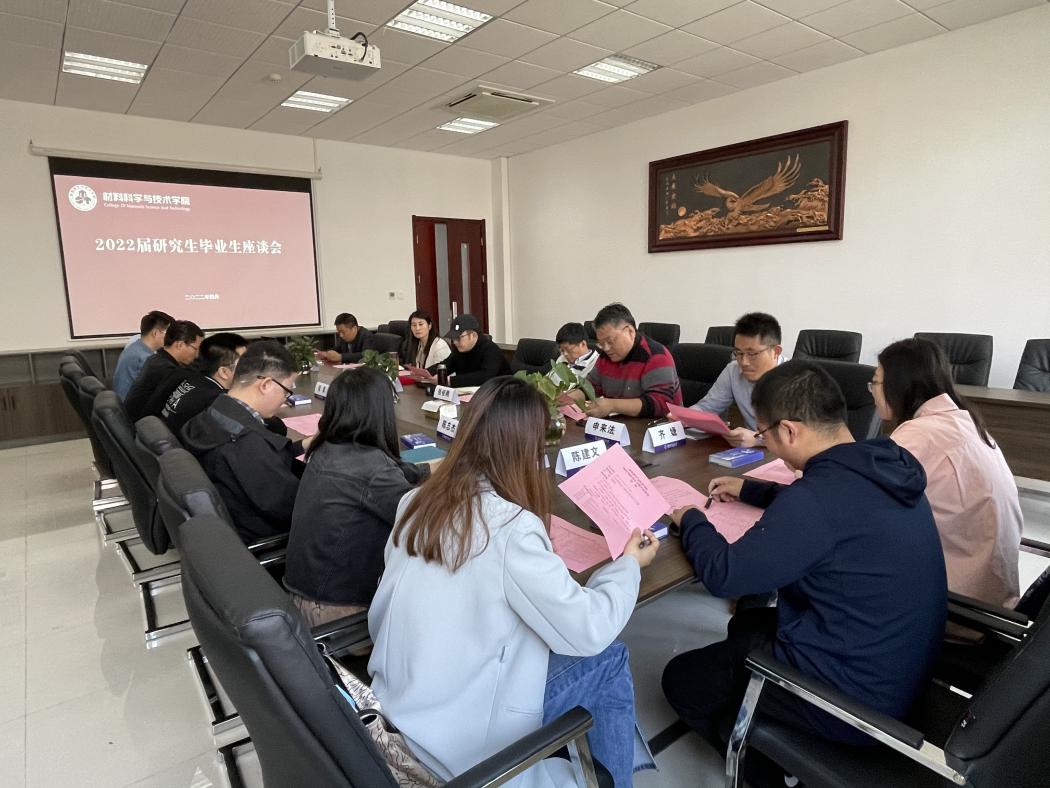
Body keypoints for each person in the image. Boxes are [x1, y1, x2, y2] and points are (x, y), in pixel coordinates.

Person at [368, 376, 659, 787]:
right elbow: (589, 630)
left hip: (398, 705)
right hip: (461, 742)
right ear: (526, 449)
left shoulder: (415, 500)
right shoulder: (511, 528)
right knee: (609, 659)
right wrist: (628, 564)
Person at [662, 361, 946, 770]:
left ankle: (766, 768)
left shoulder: (814, 500)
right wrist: (753, 489)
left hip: (853, 701)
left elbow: (725, 575)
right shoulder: (885, 464)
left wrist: (691, 519)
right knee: (748, 623)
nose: (768, 444)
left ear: (790, 430)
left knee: (681, 679)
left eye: (765, 435)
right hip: (899, 670)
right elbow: (836, 509)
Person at [873, 338, 1023, 608]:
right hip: (995, 594)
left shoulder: (919, 435)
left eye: (875, 382)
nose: (872, 391)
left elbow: (865, 505)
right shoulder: (965, 421)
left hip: (958, 605)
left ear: (898, 385)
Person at [285, 368, 431, 626]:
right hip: (336, 612)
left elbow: (392, 475)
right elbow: (424, 519)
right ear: (380, 410)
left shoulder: (328, 447)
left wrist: (436, 469)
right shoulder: (371, 468)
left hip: (307, 596)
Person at [180, 341, 309, 544]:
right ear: (266, 385)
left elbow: (263, 458)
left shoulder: (216, 412)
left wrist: (304, 445)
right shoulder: (246, 442)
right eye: (287, 391)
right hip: (259, 535)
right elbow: (293, 507)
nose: (285, 399)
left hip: (230, 518)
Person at [565, 303, 681, 419]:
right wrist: (567, 398)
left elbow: (661, 404)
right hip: (620, 424)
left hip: (657, 426)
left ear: (630, 331)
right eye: (601, 343)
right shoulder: (606, 356)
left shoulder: (656, 356)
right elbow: (590, 386)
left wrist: (612, 405)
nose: (606, 348)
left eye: (610, 341)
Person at [690, 311, 785, 446]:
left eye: (752, 354)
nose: (744, 362)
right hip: (750, 451)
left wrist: (758, 439)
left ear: (776, 352)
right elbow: (707, 408)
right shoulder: (733, 370)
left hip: (786, 455)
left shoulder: (797, 379)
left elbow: (804, 437)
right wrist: (682, 417)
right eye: (739, 353)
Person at [141, 332, 247, 433]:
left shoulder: (192, 378)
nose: (251, 368)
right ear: (224, 372)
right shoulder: (217, 401)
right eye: (246, 363)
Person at [123, 320, 203, 422]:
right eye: (195, 349)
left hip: (136, 421)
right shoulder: (168, 370)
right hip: (142, 426)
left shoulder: (156, 359)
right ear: (180, 345)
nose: (197, 354)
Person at [425, 314, 509, 387]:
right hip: (469, 394)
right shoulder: (459, 350)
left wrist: (450, 380)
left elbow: (485, 376)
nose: (455, 342)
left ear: (473, 335)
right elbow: (446, 365)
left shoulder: (491, 349)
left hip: (500, 394)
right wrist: (426, 373)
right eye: (453, 338)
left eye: (458, 338)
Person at [112, 310, 173, 399]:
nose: (171, 338)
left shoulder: (134, 346)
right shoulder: (145, 358)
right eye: (168, 333)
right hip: (130, 404)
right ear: (155, 333)